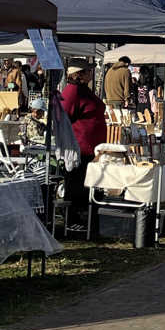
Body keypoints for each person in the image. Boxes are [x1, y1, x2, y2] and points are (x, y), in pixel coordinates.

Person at [61, 61, 107, 231]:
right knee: (77, 185)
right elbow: (64, 116)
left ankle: (85, 220)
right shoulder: (72, 91)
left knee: (87, 185)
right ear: (79, 74)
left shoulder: (83, 90)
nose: (91, 74)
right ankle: (73, 221)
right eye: (88, 71)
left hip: (91, 147)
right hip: (80, 147)